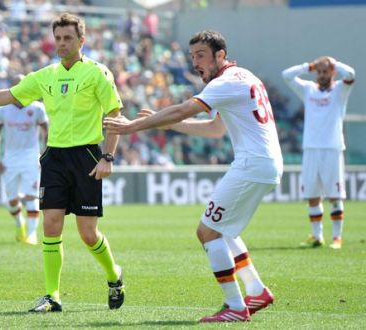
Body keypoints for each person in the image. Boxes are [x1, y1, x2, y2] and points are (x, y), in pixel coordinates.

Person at [0, 13, 125, 313]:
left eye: (68, 38)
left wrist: (108, 157)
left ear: (81, 41)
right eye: (58, 38)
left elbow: (114, 115)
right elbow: (9, 96)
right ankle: (53, 296)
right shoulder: (45, 75)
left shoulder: (98, 73)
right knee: (50, 226)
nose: (61, 43)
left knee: (88, 234)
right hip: (54, 158)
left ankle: (114, 276)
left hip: (87, 156)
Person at [104, 30, 283, 323]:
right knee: (223, 231)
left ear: (220, 55)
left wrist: (135, 126)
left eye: (201, 56)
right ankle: (256, 290)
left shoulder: (225, 83)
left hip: (252, 164)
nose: (195, 63)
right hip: (264, 164)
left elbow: (183, 108)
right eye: (192, 57)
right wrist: (168, 126)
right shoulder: (243, 77)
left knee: (207, 232)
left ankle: (235, 307)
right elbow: (215, 129)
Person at [282, 57, 355, 250]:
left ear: (332, 73)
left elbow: (351, 74)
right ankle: (317, 236)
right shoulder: (309, 90)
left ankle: (337, 238)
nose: (322, 75)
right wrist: (309, 66)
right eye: (319, 72)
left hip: (332, 148)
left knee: (335, 195)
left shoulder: (340, 90)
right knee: (312, 195)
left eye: (326, 72)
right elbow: (286, 76)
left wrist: (334, 62)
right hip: (311, 148)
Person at [0, 74, 48, 245]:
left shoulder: (37, 108)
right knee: (11, 200)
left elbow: (47, 131)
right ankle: (19, 222)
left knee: (32, 196)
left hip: (31, 156)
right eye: (17, 85)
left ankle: (31, 234)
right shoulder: (2, 110)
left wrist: (45, 153)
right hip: (10, 158)